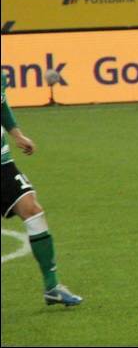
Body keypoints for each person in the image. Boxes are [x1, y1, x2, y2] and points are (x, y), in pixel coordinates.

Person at [1, 74, 83, 306]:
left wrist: (16, 134)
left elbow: (1, 104)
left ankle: (52, 287)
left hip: (2, 163)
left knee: (32, 210)